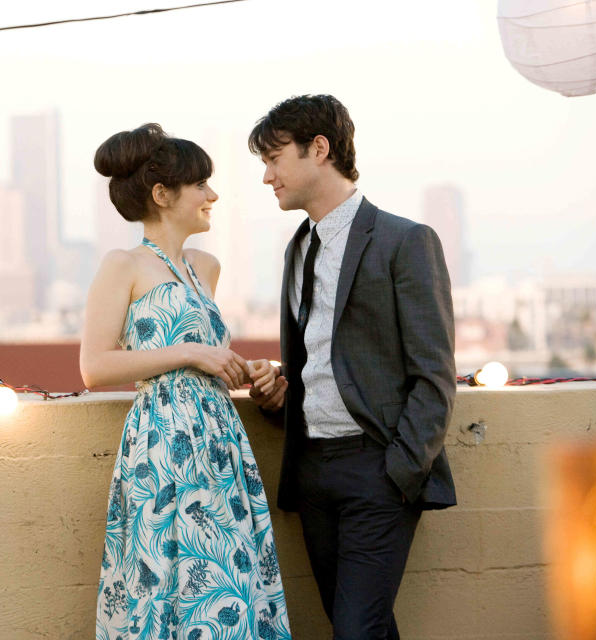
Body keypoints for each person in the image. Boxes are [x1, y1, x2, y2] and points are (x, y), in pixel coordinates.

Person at [247, 94, 457, 639]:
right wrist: (279, 393)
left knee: (355, 633)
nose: (267, 176)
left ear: (319, 149)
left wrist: (399, 473)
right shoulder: (296, 249)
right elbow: (318, 360)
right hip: (312, 472)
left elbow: (434, 375)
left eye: (274, 159)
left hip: (377, 470)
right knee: (362, 629)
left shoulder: (405, 240)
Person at [81, 123, 291, 640]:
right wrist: (192, 351)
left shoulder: (206, 267)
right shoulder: (123, 265)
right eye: (200, 185)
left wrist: (257, 372)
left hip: (219, 444)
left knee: (231, 585)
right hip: (162, 444)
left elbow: (209, 360)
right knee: (169, 587)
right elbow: (94, 367)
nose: (212, 195)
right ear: (162, 195)